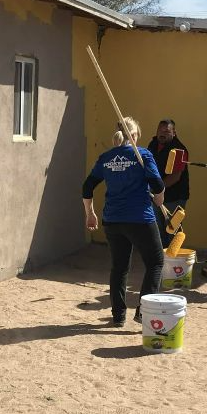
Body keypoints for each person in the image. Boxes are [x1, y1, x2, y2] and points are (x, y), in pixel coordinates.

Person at [82, 117, 165, 326]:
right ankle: (144, 312)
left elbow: (87, 186)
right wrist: (159, 198)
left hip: (113, 220)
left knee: (119, 267)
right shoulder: (142, 154)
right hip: (140, 219)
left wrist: (90, 213)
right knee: (155, 263)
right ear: (134, 135)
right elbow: (157, 184)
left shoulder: (106, 157)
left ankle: (118, 316)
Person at [148, 119, 190, 249]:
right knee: (158, 230)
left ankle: (173, 262)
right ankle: (161, 261)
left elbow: (175, 177)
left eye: (166, 131)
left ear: (174, 133)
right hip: (156, 196)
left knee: (172, 231)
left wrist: (157, 189)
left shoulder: (179, 150)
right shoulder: (153, 144)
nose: (162, 133)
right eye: (160, 130)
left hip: (175, 198)